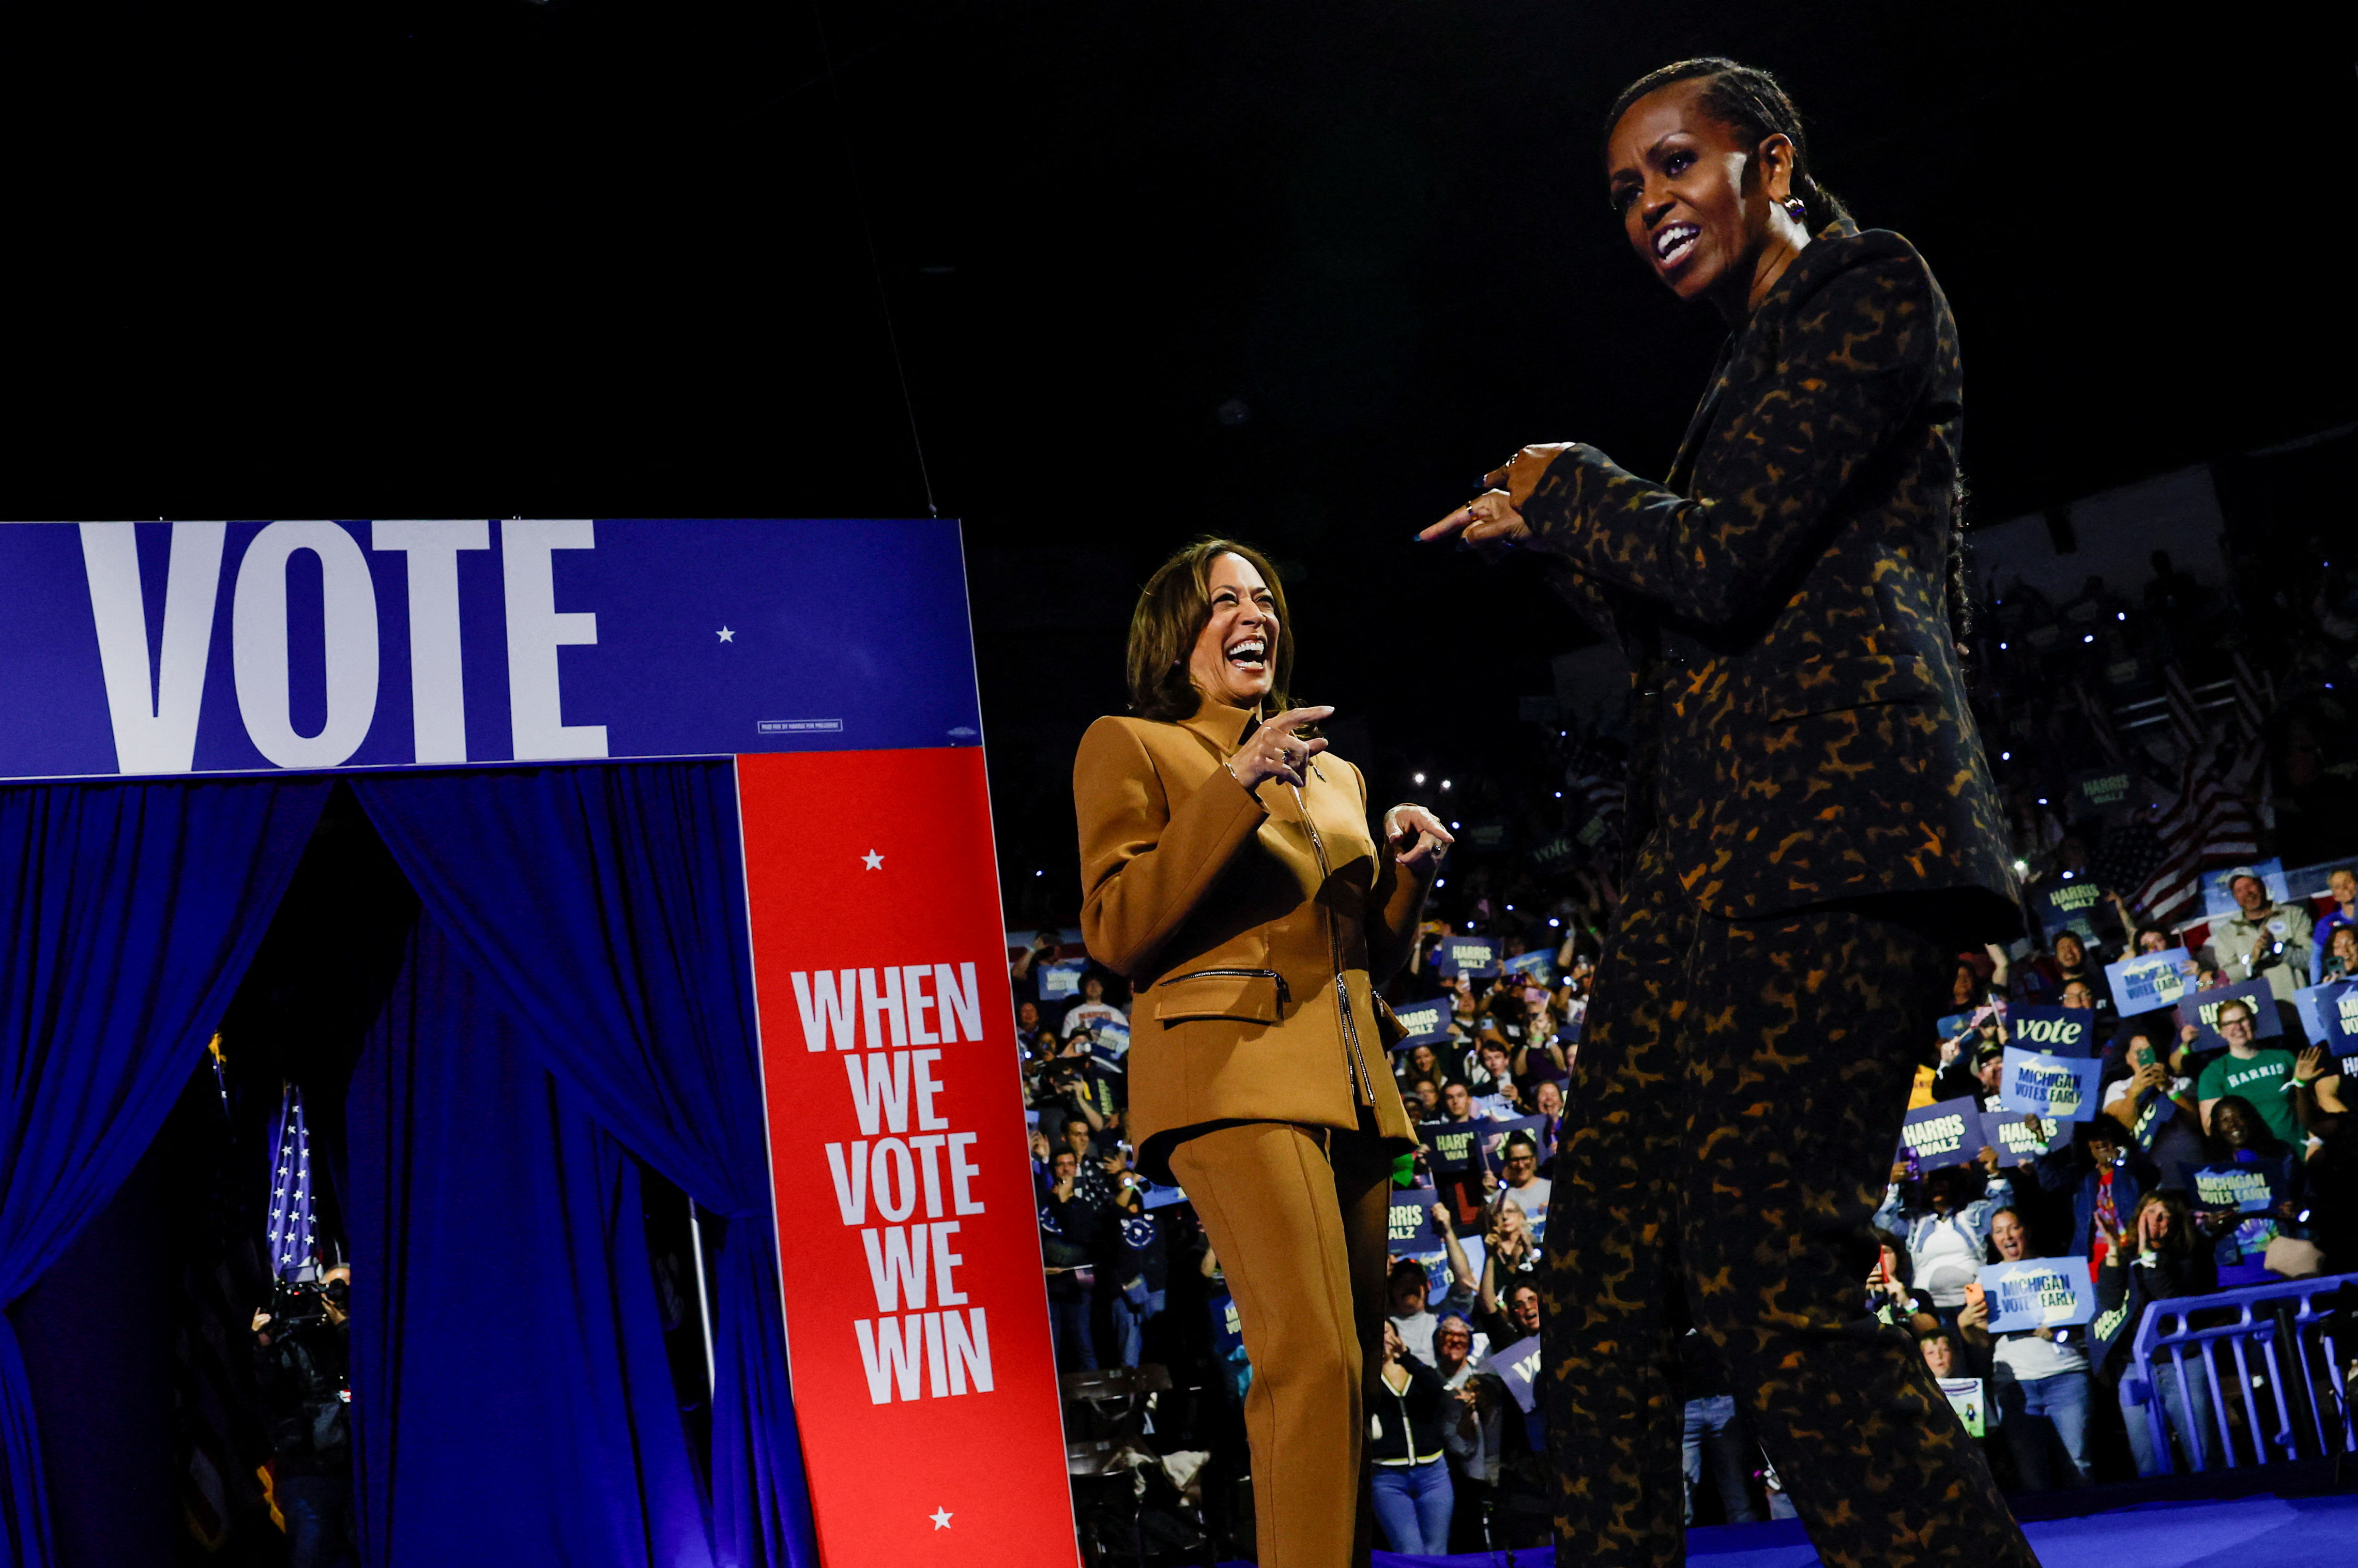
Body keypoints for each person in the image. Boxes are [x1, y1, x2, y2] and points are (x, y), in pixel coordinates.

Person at [1421, 55, 2034, 1565]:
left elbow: (1723, 561)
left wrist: (1566, 482)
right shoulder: (1738, 373)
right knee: (1596, 1288)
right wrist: (1557, 550)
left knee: (1771, 1273)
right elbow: (1702, 610)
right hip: (1684, 877)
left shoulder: (1864, 290)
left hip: (1825, 842)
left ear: (1768, 164)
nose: (1644, 207)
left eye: (1671, 165)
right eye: (1623, 189)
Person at [1073, 537, 1451, 1567]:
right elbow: (1115, 925)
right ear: (1175, 634)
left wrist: (1408, 877)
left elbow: (1372, 954)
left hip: (1353, 1088)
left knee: (1353, 1373)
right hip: (1233, 1080)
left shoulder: (1338, 775)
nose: (1255, 613)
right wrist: (1233, 784)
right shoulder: (1137, 745)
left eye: (1265, 598)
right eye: (1225, 599)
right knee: (1314, 1361)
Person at [2092, 1191, 2218, 1476]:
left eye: (2164, 1216)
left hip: (2181, 1363)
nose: (2155, 1221)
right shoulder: (2124, 1257)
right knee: (2148, 1461)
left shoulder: (2190, 1255)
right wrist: (2113, 1249)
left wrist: (2149, 1257)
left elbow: (2170, 1305)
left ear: (2175, 1224)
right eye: (2150, 1213)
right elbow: (2111, 1301)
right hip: (2135, 1367)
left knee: (2203, 1454)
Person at [1980, 1208, 2094, 1488]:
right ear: (1993, 1239)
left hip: (2066, 1376)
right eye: (1998, 1231)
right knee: (2032, 1475)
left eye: (2013, 1228)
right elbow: (1979, 1339)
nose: (2007, 1236)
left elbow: (2089, 1323)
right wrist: (1968, 1323)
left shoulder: (2060, 1271)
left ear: (2026, 1232)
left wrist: (2062, 1328)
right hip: (2017, 1385)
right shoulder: (1986, 1282)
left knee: (2079, 1466)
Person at [251, 1265, 355, 1568]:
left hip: (357, 1471)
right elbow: (275, 1398)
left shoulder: (369, 1338)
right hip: (309, 1472)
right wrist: (264, 1347)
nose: (339, 1297)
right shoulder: (293, 1339)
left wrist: (345, 1328)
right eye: (333, 1288)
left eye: (346, 1289)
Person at [1369, 1321, 1455, 1555]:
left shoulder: (1415, 1370)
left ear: (1397, 1336)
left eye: (1386, 1331)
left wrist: (1406, 1357)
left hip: (1433, 1474)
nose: (1382, 1338)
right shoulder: (1366, 1377)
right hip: (1388, 1478)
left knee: (1437, 1551)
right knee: (1409, 1552)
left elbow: (1438, 1390)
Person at [1434, 1314, 1510, 1550]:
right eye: (1449, 1335)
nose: (1456, 1341)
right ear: (1437, 1340)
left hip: (1481, 1481)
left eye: (1462, 1336)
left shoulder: (1485, 1382)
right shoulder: (1430, 1380)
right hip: (1441, 1478)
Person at [2194, 997, 2302, 1146]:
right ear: (2221, 1031)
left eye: (2242, 1020)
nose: (2237, 1027)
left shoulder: (2284, 1058)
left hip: (2300, 1150)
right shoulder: (2214, 1073)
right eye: (2229, 1023)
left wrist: (2316, 1139)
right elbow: (2210, 1128)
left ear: (2253, 1022)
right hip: (2255, 1158)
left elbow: (2312, 1102)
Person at [2210, 871, 2313, 1008]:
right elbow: (2228, 978)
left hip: (2299, 1007)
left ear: (2262, 885)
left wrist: (2279, 950)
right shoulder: (2226, 933)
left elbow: (2312, 960)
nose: (2247, 893)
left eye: (2250, 885)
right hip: (2257, 1015)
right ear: (2235, 897)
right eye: (2240, 890)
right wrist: (2252, 961)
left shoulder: (2294, 915)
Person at [2311, 867, 2357, 983]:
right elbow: (2316, 960)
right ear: (2334, 894)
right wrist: (2316, 989)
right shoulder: (2325, 924)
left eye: (2348, 883)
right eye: (2337, 887)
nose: (2344, 888)